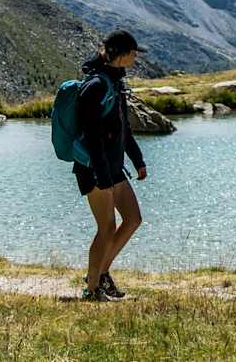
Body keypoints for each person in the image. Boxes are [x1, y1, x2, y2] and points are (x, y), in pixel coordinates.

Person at [76, 30, 148, 301]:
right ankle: (91, 288)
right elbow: (92, 136)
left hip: (113, 167)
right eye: (133, 52)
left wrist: (138, 160)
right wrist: (102, 175)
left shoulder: (114, 83)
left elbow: (123, 129)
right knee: (106, 227)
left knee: (132, 219)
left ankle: (100, 275)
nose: (135, 57)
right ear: (121, 53)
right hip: (95, 169)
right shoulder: (95, 85)